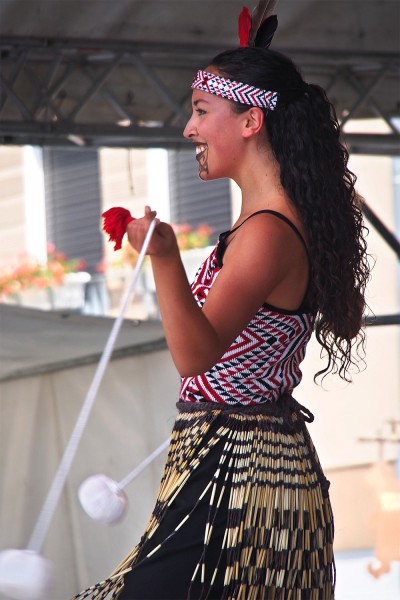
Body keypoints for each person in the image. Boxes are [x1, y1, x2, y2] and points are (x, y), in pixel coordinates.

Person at [73, 7, 370, 600]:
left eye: (202, 112)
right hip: (242, 465)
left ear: (251, 121)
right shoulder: (274, 223)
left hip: (238, 477)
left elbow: (196, 354)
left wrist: (163, 257)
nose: (189, 129)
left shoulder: (267, 231)